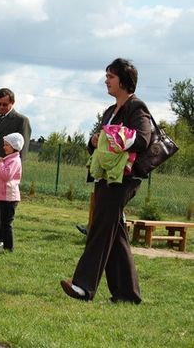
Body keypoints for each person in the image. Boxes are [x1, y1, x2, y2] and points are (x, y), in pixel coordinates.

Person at [61, 58, 151, 304]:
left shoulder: (136, 107)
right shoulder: (110, 111)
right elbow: (101, 143)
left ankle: (83, 286)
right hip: (106, 176)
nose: (106, 80)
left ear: (123, 80)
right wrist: (94, 140)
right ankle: (127, 294)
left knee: (100, 227)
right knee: (115, 231)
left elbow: (143, 138)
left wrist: (116, 138)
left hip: (124, 178)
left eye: (110, 76)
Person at [0, 88, 31, 246]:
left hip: (5, 169)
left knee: (2, 205)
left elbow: (22, 149)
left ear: (12, 103)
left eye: (4, 104)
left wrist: (14, 172)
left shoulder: (20, 120)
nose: (1, 107)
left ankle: (0, 237)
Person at [0, 132, 24, 253]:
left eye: (7, 145)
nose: (4, 147)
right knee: (3, 223)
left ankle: (9, 247)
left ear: (14, 146)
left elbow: (6, 176)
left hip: (9, 198)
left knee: (7, 224)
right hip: (3, 197)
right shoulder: (8, 160)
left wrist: (0, 163)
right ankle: (5, 244)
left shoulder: (14, 161)